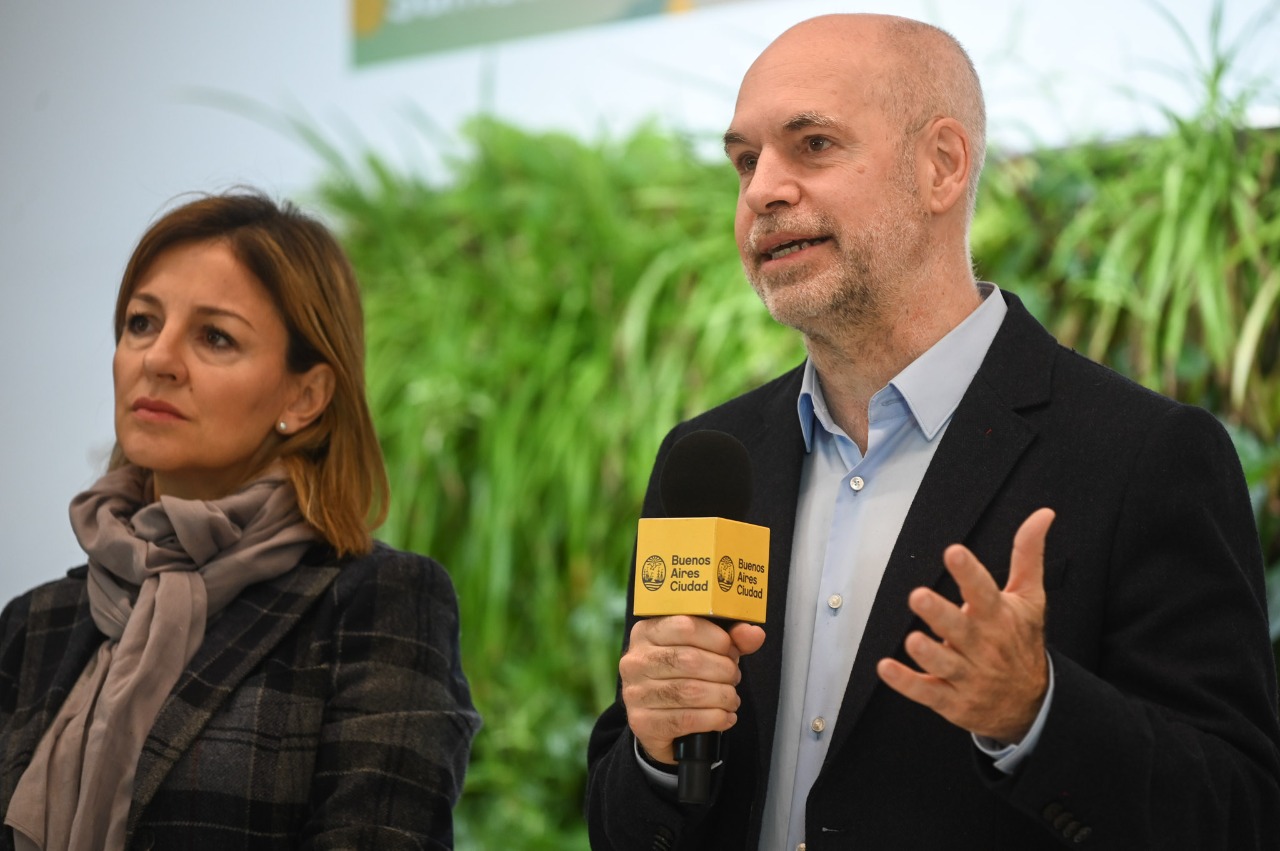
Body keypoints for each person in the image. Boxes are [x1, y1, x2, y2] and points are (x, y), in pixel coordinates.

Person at [585, 13, 1280, 850]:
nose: (762, 190)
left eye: (812, 145)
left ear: (942, 164)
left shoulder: (1144, 455)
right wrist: (658, 753)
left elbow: (1240, 811)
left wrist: (1038, 713)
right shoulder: (712, 461)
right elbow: (622, 820)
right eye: (745, 160)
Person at [0, 191, 480, 850]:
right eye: (142, 322)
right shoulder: (34, 625)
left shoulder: (375, 604)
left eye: (215, 336)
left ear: (304, 396)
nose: (157, 359)